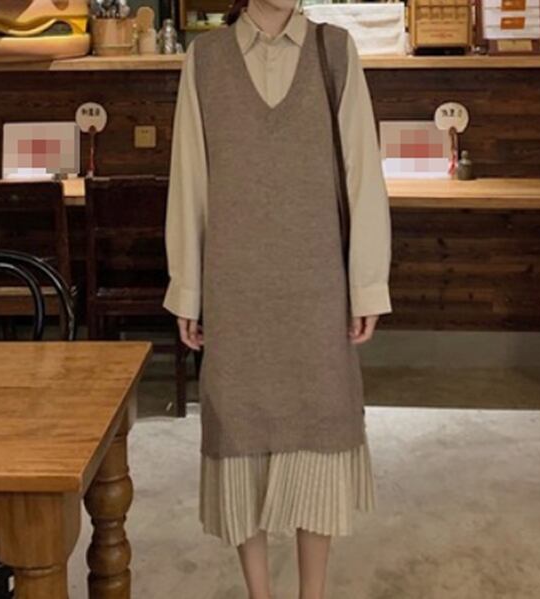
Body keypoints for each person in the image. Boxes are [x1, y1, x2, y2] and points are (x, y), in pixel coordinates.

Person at [163, 0, 392, 597]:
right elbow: (189, 182)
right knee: (239, 436)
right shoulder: (205, 60)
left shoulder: (334, 52)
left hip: (318, 289)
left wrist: (367, 281)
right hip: (235, 289)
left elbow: (364, 175)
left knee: (322, 433)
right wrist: (187, 288)